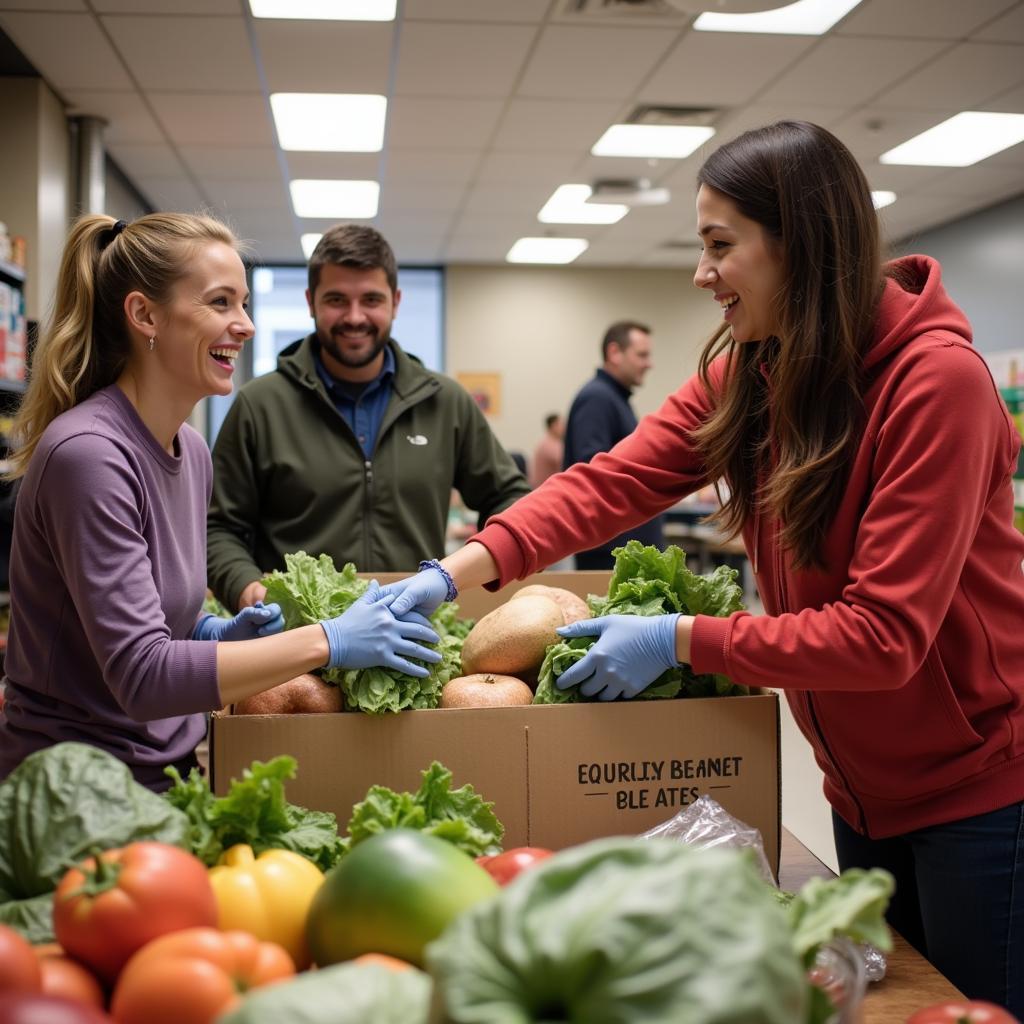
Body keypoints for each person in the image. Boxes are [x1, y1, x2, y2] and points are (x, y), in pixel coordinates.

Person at [380, 121, 1024, 1014]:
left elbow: (884, 638)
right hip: (862, 787)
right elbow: (612, 482)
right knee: (893, 1004)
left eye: (721, 245)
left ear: (799, 243)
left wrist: (681, 639)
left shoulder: (937, 385)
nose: (702, 272)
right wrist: (459, 572)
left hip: (981, 793)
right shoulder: (758, 371)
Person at [0, 213, 441, 791]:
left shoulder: (190, 449)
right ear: (145, 315)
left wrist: (212, 633)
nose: (247, 326)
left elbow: (150, 624)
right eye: (221, 303)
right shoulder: (89, 455)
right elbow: (140, 674)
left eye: (244, 303)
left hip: (169, 769)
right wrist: (327, 640)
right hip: (77, 790)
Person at [206, 223, 529, 612]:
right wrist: (247, 588)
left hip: (415, 630)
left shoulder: (445, 402)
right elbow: (217, 528)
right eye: (337, 300)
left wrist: (470, 569)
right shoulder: (259, 405)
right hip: (296, 637)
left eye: (371, 300)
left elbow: (511, 500)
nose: (355, 317)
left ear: (395, 301)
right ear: (311, 302)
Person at [562, 320, 663, 568]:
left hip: (620, 548)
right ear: (615, 353)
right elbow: (593, 471)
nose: (649, 363)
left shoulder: (614, 398)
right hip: (610, 552)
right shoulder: (597, 398)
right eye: (641, 355)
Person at [528, 413, 564, 489]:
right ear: (554, 426)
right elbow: (567, 464)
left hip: (541, 489)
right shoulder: (551, 446)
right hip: (547, 490)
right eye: (561, 424)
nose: (564, 428)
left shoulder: (546, 443)